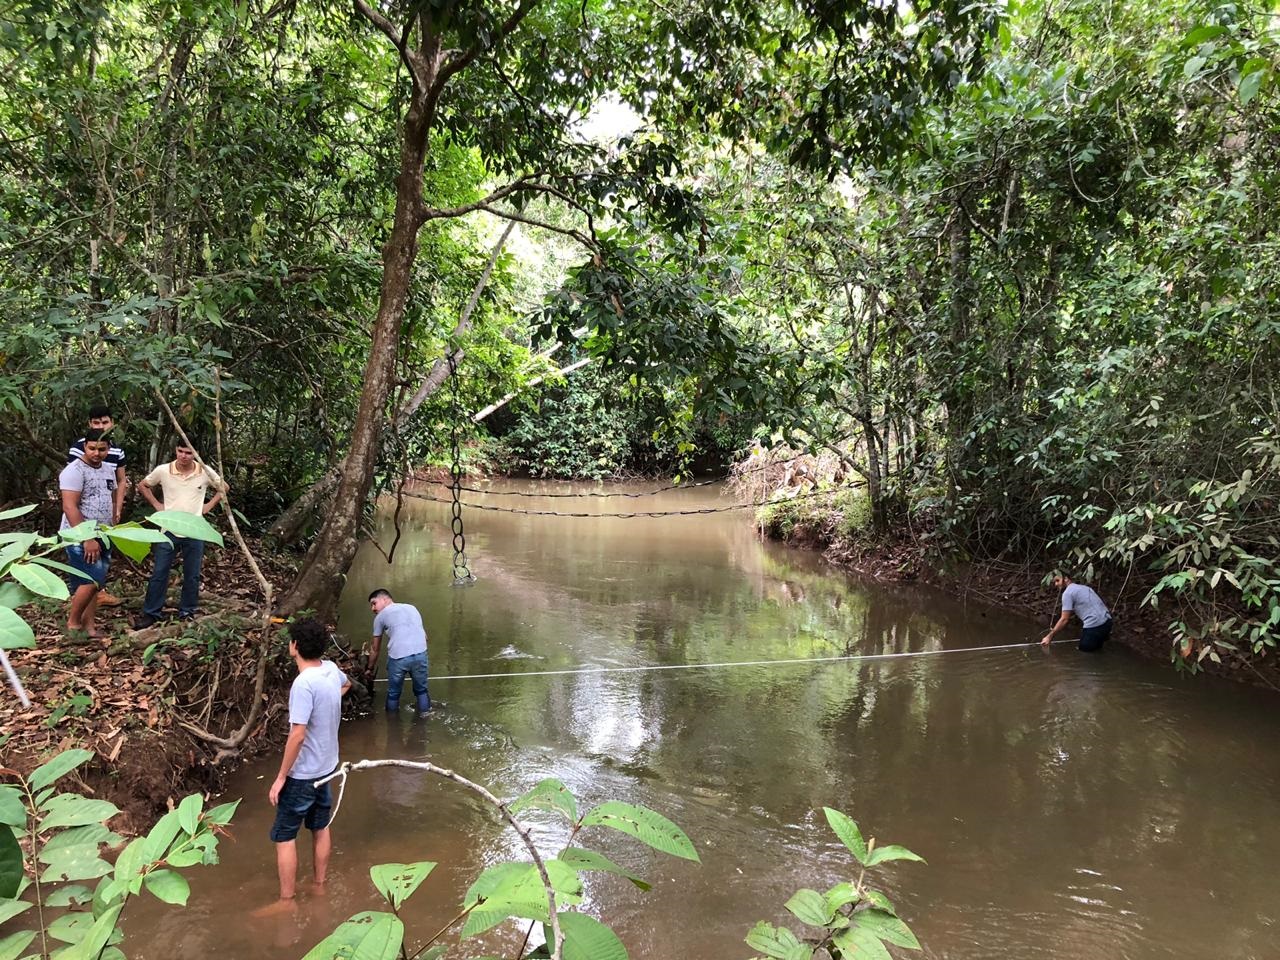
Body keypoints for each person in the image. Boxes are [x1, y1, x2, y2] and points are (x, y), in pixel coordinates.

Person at [267, 618, 350, 905]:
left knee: (284, 836)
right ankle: (319, 885)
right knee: (320, 826)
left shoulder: (303, 684)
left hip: (303, 774)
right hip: (327, 769)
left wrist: (281, 777)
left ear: (295, 646)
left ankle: (285, 901)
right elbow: (346, 685)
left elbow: (298, 735)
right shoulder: (330, 670)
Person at [133, 438, 228, 628]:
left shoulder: (204, 471)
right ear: (175, 450)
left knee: (192, 574)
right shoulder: (163, 470)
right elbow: (143, 485)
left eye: (189, 452)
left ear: (195, 454)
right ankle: (151, 613)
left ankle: (187, 612)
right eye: (180, 451)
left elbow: (224, 487)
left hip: (195, 530)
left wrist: (208, 506)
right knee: (159, 572)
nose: (184, 456)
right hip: (168, 530)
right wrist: (157, 506)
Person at [67, 404, 128, 605]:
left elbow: (120, 481)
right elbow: (72, 497)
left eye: (105, 422)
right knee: (89, 576)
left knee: (98, 570)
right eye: (96, 422)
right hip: (83, 523)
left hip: (103, 521)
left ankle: (89, 619)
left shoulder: (116, 451)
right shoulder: (79, 453)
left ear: (112, 423)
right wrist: (86, 535)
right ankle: (75, 619)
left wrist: (116, 508)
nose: (101, 426)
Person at [58, 429, 116, 638]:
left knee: (95, 584)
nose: (96, 453)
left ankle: (89, 626)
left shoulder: (108, 469)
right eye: (92, 448)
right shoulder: (74, 471)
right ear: (85, 447)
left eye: (102, 449)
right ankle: (73, 624)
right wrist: (87, 538)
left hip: (104, 533)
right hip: (79, 535)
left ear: (108, 449)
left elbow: (111, 494)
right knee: (91, 580)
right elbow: (69, 507)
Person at [367, 588, 431, 713]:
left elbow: (375, 648)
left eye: (374, 603)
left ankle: (392, 725)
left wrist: (369, 668)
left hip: (398, 658)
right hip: (420, 654)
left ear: (384, 599)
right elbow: (425, 637)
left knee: (393, 693)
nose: (373, 609)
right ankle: (425, 719)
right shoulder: (412, 608)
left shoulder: (381, 617)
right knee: (422, 690)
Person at [1041, 573, 1113, 652]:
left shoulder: (1067, 593)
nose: (1056, 584)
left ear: (1066, 579)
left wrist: (1049, 637)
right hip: (1107, 622)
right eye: (1054, 582)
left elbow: (1064, 619)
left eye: (1058, 581)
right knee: (1097, 650)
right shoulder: (1084, 588)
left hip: (1094, 625)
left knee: (1084, 654)